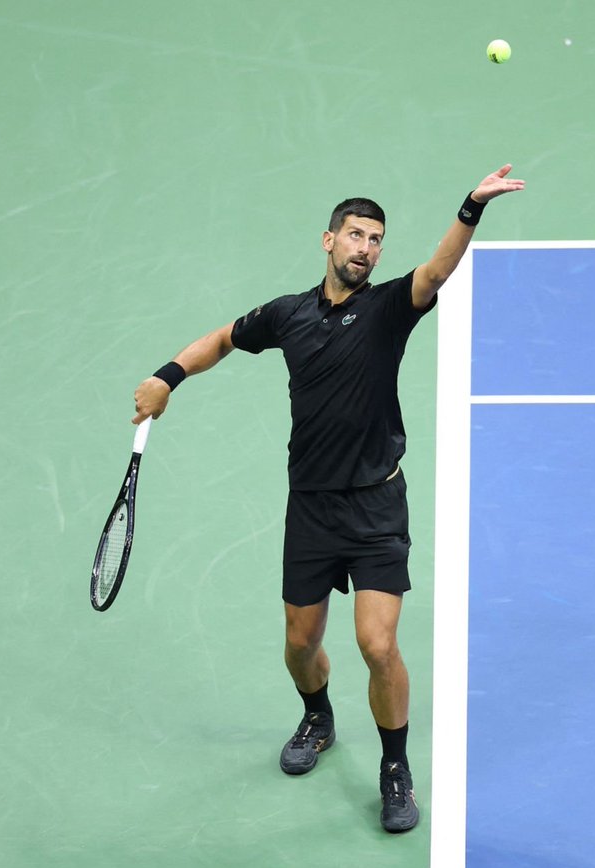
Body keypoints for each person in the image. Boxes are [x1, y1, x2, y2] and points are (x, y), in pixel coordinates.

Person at [131, 165, 524, 832]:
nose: (367, 247)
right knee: (299, 642)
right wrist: (167, 375)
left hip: (375, 506)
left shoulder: (389, 309)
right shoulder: (288, 314)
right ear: (327, 240)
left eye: (376, 239)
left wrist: (470, 207)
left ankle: (394, 767)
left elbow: (435, 272)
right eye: (355, 235)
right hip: (311, 506)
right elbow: (225, 337)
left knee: (377, 645)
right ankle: (318, 714)